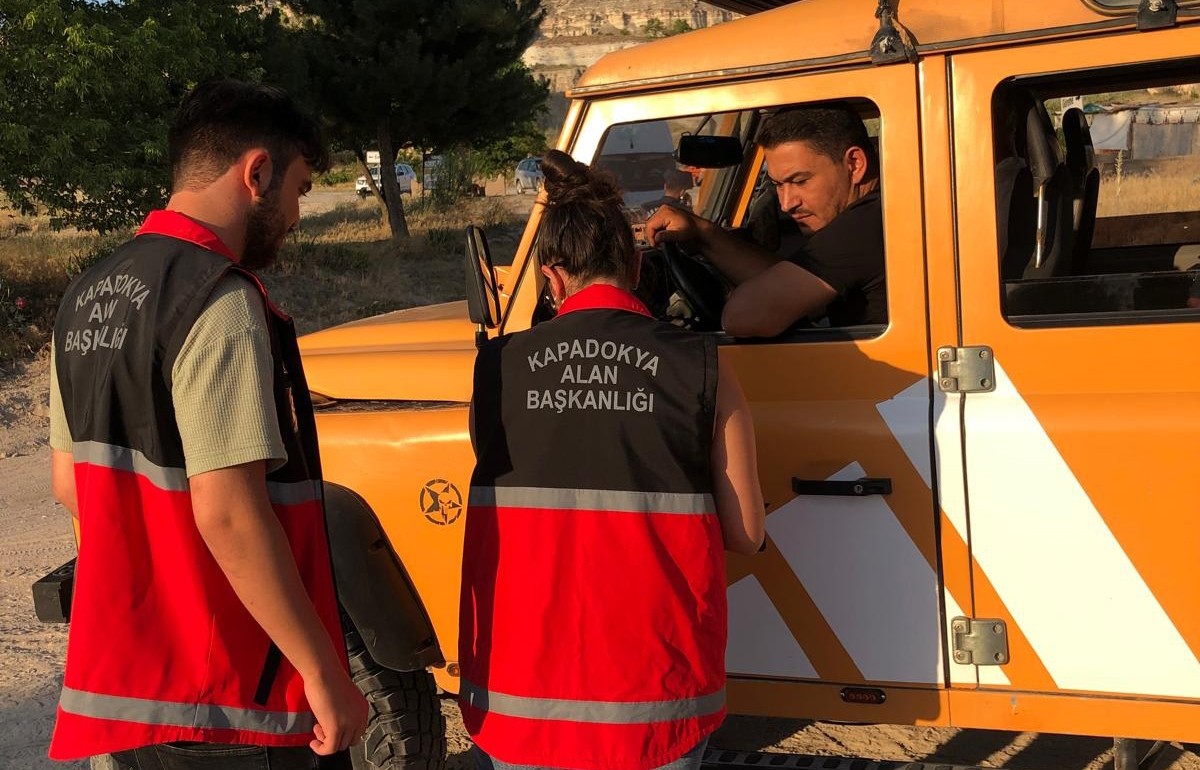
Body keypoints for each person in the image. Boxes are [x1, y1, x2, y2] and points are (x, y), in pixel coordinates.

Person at [47, 80, 368, 769]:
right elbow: (229, 513)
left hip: (135, 699)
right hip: (233, 700)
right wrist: (321, 671)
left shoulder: (84, 298)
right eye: (301, 189)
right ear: (257, 173)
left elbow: (71, 486)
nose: (297, 214)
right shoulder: (217, 301)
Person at [459, 149, 766, 770]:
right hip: (655, 701)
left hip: (522, 700)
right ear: (634, 264)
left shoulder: (496, 368)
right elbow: (746, 533)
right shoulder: (704, 366)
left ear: (552, 278)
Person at [646, 102, 885, 336]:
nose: (786, 203)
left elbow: (742, 317)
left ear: (854, 164)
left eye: (800, 181)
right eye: (777, 185)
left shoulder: (866, 224)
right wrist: (704, 234)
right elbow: (797, 291)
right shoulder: (878, 214)